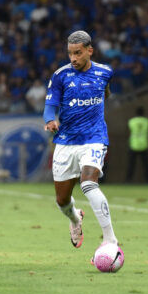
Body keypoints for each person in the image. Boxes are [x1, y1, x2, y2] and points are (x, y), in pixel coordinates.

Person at [43, 30, 119, 255]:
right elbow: (50, 106)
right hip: (66, 142)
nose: (73, 58)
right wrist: (49, 120)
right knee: (62, 200)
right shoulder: (60, 76)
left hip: (94, 139)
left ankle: (110, 239)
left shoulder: (105, 72)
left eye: (78, 53)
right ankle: (75, 219)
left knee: (88, 184)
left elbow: (105, 93)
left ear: (89, 51)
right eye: (70, 54)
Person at [125, 107, 148, 182]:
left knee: (131, 165)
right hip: (144, 144)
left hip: (133, 144)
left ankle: (128, 180)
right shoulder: (147, 121)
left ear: (136, 113)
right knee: (146, 165)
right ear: (143, 113)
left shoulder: (131, 121)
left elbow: (128, 132)